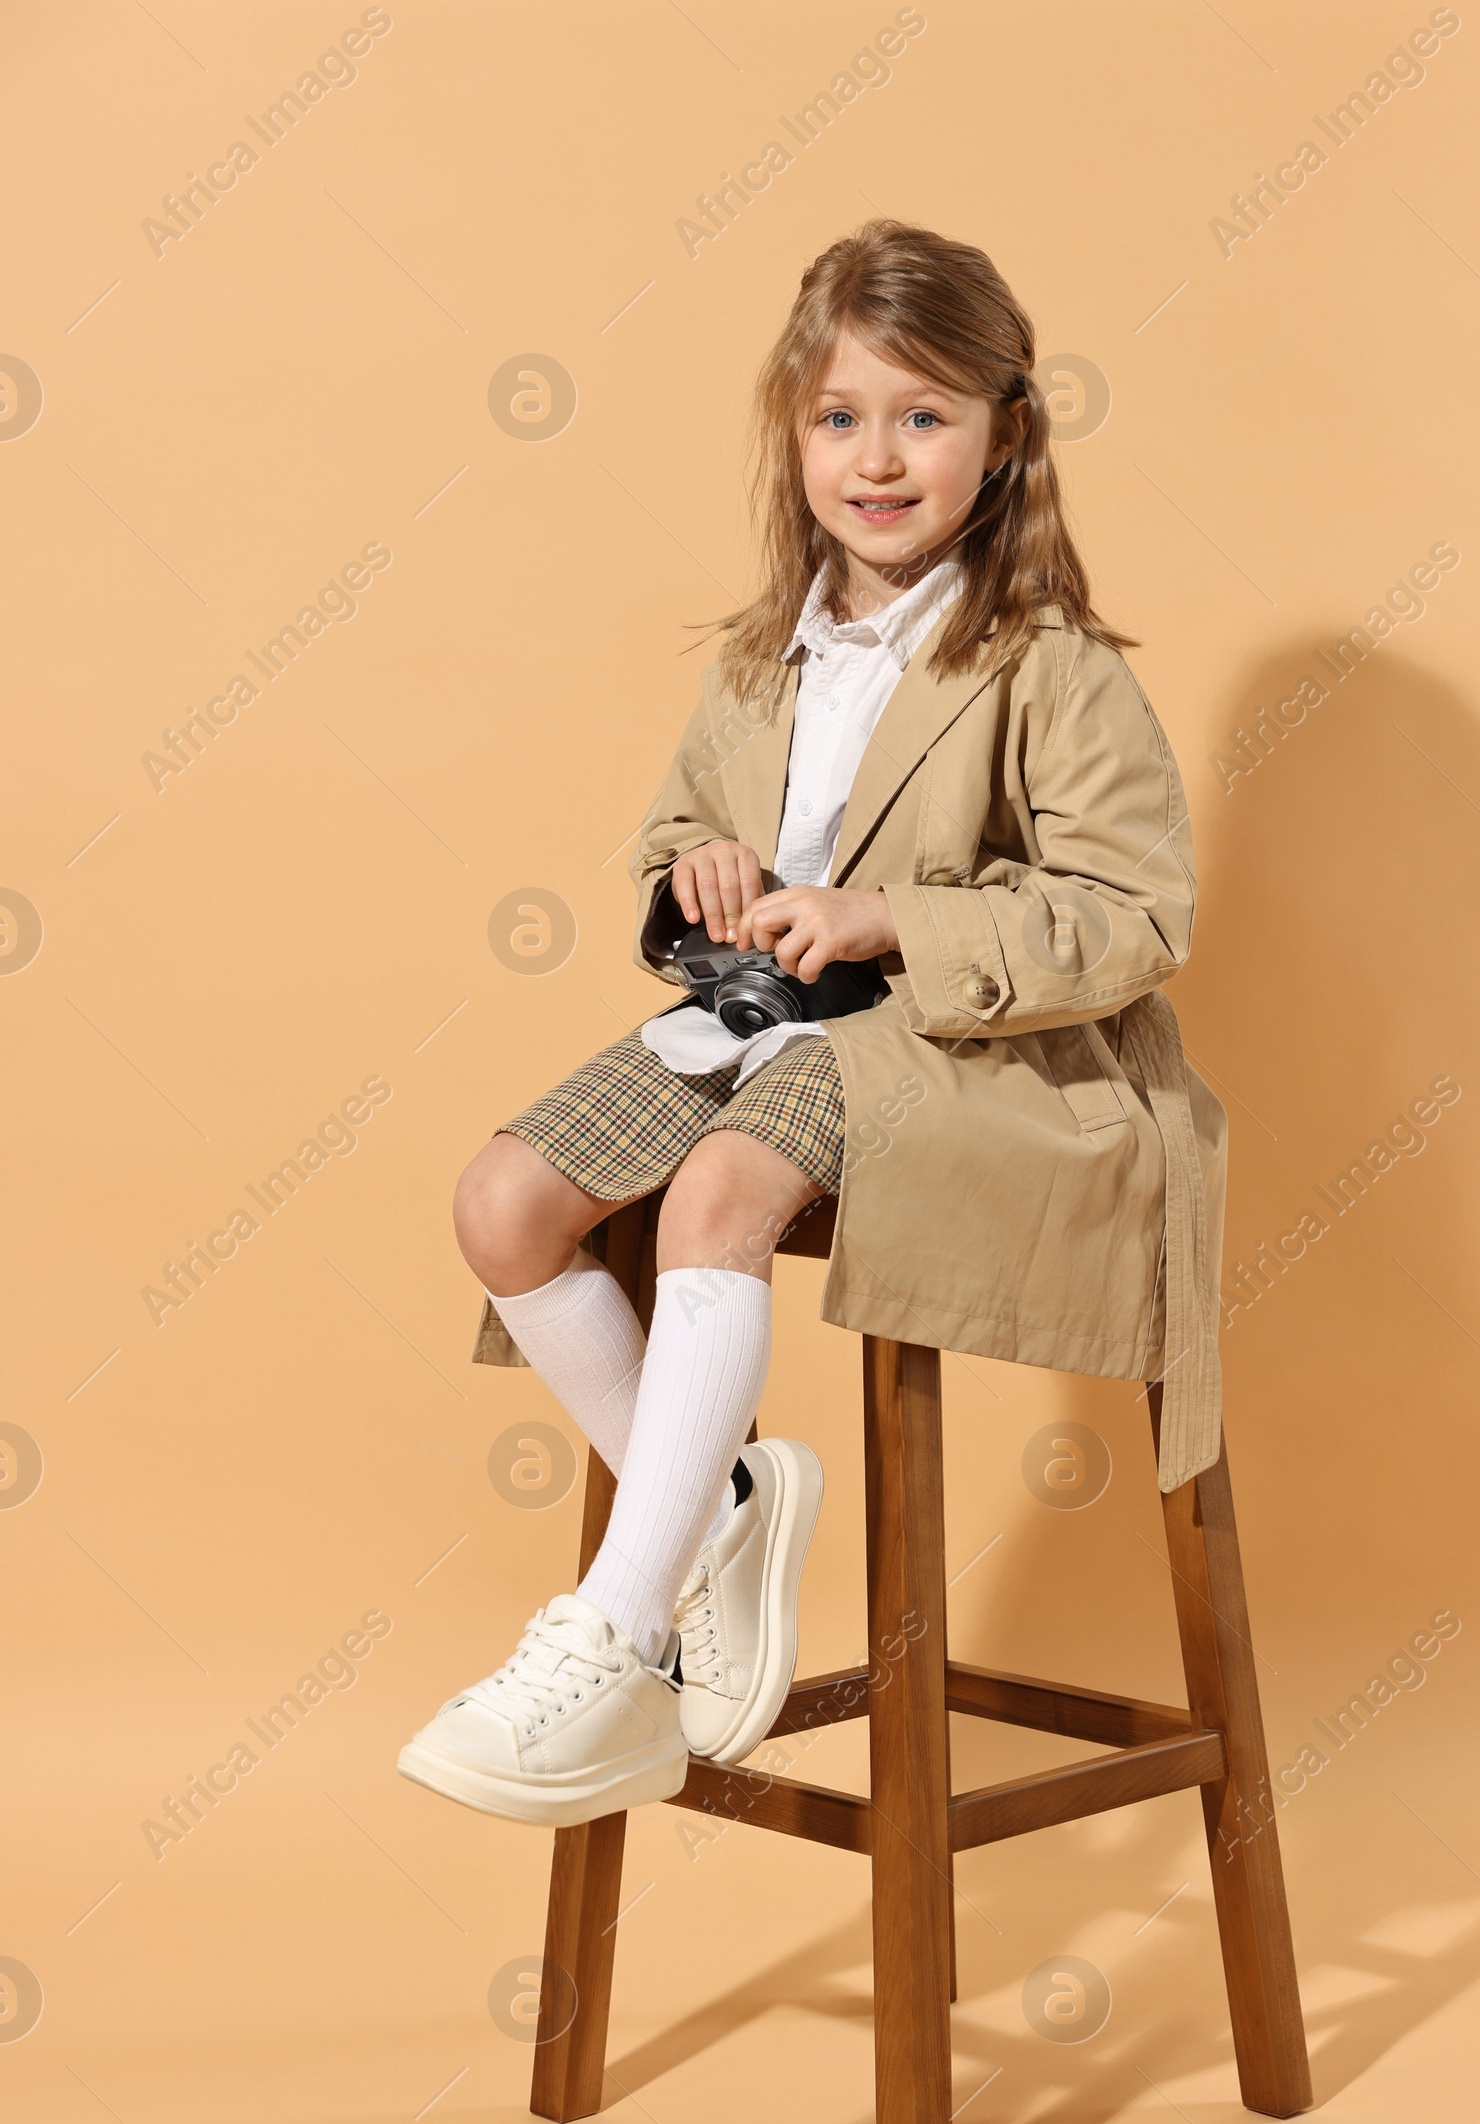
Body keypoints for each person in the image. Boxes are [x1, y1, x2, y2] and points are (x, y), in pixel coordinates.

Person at [398, 218, 1225, 1829]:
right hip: (769, 1024)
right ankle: (709, 1510)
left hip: (976, 1052)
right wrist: (696, 870)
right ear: (793, 435)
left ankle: (617, 1636)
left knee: (715, 1197)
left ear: (1002, 438)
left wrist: (895, 917)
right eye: (842, 417)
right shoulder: (757, 660)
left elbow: (1139, 915)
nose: (880, 457)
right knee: (502, 1200)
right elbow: (669, 843)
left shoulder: (1051, 665)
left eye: (925, 416)